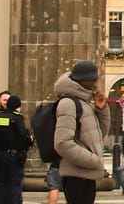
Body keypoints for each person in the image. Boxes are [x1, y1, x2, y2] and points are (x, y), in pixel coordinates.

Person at [53, 60, 107, 204]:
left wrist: (101, 110)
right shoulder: (69, 103)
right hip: (77, 175)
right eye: (93, 79)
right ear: (82, 81)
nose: (96, 83)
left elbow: (100, 134)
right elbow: (62, 143)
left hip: (86, 174)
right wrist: (93, 160)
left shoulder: (85, 102)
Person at [0, 96, 34, 204]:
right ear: (17, 107)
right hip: (14, 157)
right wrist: (30, 141)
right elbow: (23, 135)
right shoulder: (17, 118)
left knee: (0, 184)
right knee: (14, 184)